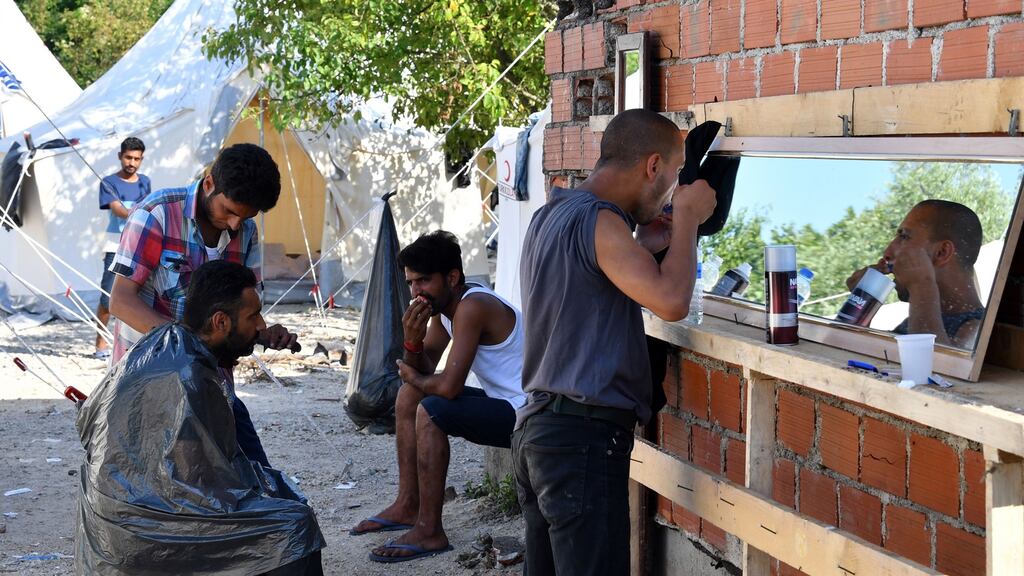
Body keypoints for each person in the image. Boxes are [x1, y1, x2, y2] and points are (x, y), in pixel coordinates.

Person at [512, 109, 716, 575]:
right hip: (580, 440)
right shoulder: (604, 222)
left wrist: (643, 245)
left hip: (539, 433)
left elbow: (586, 281)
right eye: (674, 176)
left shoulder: (553, 213)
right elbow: (669, 301)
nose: (672, 190)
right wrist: (686, 220)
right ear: (652, 167)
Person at [76, 260, 324, 575]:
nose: (261, 325)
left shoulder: (165, 342)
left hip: (112, 515)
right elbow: (195, 489)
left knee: (276, 493)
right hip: (139, 531)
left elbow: (88, 422)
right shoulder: (189, 380)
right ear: (220, 321)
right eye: (253, 316)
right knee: (293, 527)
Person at [108, 142, 297, 468]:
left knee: (246, 477)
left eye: (246, 217)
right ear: (209, 184)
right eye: (230, 212)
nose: (237, 225)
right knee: (159, 482)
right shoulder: (156, 216)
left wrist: (263, 331)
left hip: (212, 385)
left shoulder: (245, 231)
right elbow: (121, 301)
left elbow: (243, 309)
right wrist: (189, 346)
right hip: (149, 382)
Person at [351, 230, 526, 564]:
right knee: (409, 396)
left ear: (453, 277)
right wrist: (413, 343)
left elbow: (447, 387)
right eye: (411, 284)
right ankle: (408, 504)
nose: (417, 292)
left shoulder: (473, 305)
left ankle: (430, 530)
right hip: (506, 403)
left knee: (430, 409)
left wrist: (414, 372)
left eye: (424, 281)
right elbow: (423, 368)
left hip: (529, 413)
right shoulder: (446, 308)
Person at [846, 199, 985, 348]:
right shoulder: (916, 324)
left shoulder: (978, 331)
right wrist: (862, 301)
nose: (887, 253)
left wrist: (922, 285)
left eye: (904, 236)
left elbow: (931, 367)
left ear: (942, 252)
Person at [94, 137, 151, 359]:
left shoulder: (145, 181)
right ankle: (100, 344)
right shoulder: (109, 182)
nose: (132, 162)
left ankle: (132, 345)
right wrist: (140, 212)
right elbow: (118, 210)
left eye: (137, 158)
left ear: (141, 159)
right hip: (114, 245)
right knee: (107, 298)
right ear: (120, 156)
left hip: (138, 244)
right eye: (128, 157)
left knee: (139, 295)